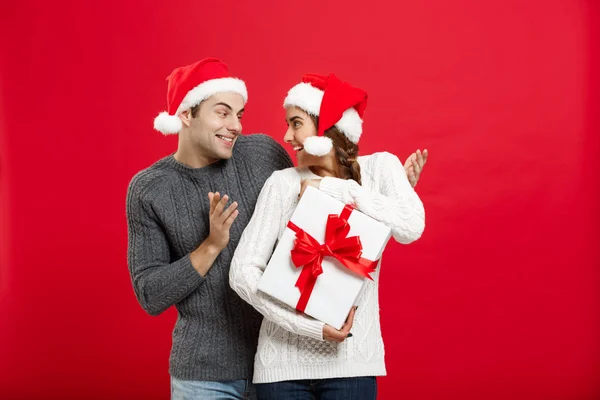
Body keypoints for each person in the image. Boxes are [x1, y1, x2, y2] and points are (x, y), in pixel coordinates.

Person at [229, 73, 426, 399]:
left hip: (352, 367)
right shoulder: (282, 183)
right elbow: (242, 273)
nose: (287, 135)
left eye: (296, 123)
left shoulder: (380, 168)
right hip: (281, 370)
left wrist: (334, 189)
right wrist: (311, 328)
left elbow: (411, 227)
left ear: (327, 127)